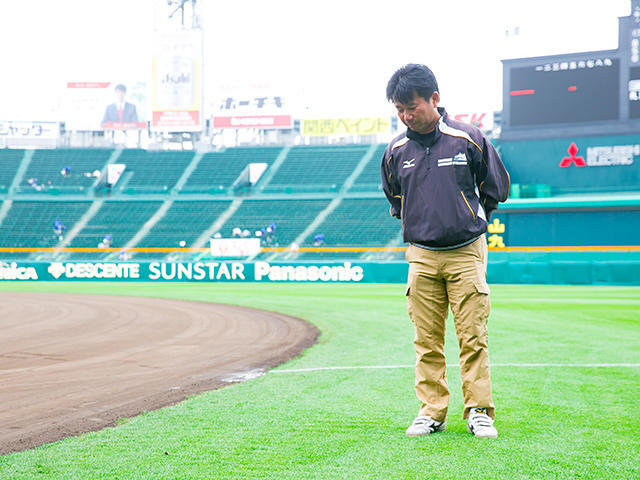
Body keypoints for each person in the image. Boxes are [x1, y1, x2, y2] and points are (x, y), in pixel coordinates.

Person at [381, 64, 510, 439]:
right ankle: (431, 411)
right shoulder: (395, 151)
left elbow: (496, 187)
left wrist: (466, 215)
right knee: (426, 339)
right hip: (420, 255)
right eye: (400, 109)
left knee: (473, 336)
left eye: (413, 106)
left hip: (466, 251)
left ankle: (479, 412)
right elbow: (395, 198)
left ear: (434, 99)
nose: (406, 115)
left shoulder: (467, 138)